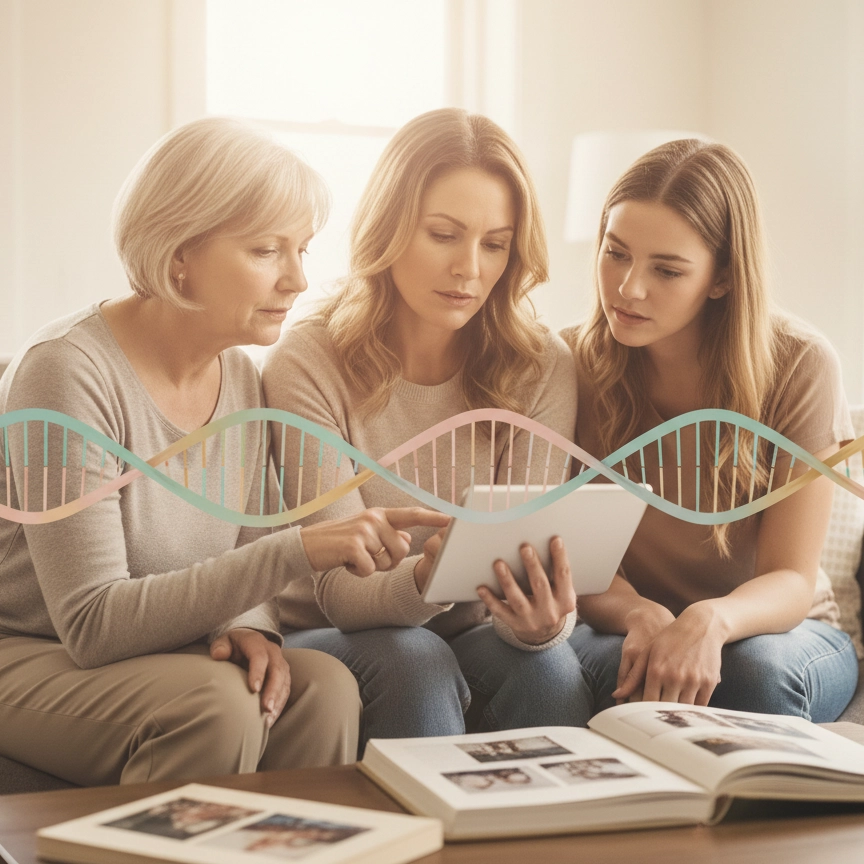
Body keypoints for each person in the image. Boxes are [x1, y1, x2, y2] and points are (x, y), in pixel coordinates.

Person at [0, 117, 448, 786]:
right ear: (179, 254)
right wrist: (298, 550)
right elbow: (91, 622)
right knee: (216, 708)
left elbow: (238, 555)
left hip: (151, 649)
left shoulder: (237, 375)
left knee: (320, 684)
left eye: (302, 250)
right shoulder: (66, 370)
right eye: (268, 251)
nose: (297, 280)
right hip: (30, 652)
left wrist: (253, 629)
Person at [263, 108, 587, 748]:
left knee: (549, 668)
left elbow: (527, 563)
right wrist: (427, 578)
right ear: (390, 229)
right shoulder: (308, 360)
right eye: (444, 234)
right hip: (337, 625)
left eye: (495, 244)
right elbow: (340, 592)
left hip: (472, 626)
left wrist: (542, 623)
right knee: (414, 661)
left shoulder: (542, 365)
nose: (470, 268)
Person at [556, 138, 857, 722]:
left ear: (721, 278)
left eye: (667, 270)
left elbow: (791, 578)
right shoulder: (570, 362)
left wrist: (711, 620)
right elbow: (577, 560)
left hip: (776, 628)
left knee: (754, 676)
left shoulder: (799, 364)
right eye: (615, 253)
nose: (628, 288)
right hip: (628, 620)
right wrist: (641, 615)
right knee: (562, 675)